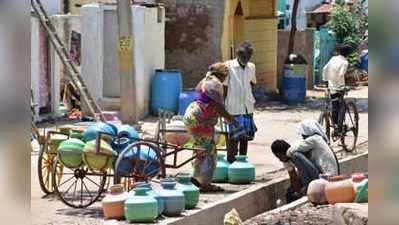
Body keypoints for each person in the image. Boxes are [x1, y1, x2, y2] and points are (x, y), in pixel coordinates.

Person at [183, 62, 240, 192]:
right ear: (223, 74)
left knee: (200, 148)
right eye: (226, 76)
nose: (226, 79)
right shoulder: (216, 84)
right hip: (200, 120)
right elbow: (220, 108)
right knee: (210, 151)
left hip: (191, 115)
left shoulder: (205, 80)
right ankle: (205, 184)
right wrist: (233, 122)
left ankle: (196, 178)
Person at [270, 119, 339, 203]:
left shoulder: (314, 139)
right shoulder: (312, 142)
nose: (302, 137)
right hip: (324, 176)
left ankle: (308, 189)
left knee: (296, 156)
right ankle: (305, 189)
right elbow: (294, 178)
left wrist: (286, 159)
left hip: (326, 178)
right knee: (290, 191)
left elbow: (291, 151)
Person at [224, 41, 258, 163]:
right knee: (233, 138)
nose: (246, 59)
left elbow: (252, 83)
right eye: (244, 57)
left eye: (248, 57)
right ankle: (231, 162)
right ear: (238, 55)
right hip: (233, 108)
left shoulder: (251, 67)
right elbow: (224, 87)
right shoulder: (228, 66)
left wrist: (249, 97)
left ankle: (242, 162)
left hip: (247, 108)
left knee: (245, 138)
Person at [322, 44, 352, 136]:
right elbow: (341, 74)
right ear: (347, 54)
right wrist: (342, 86)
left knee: (335, 105)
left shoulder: (333, 59)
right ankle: (339, 128)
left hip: (330, 86)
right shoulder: (345, 62)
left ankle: (335, 126)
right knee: (341, 106)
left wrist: (325, 81)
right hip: (339, 87)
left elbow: (325, 69)